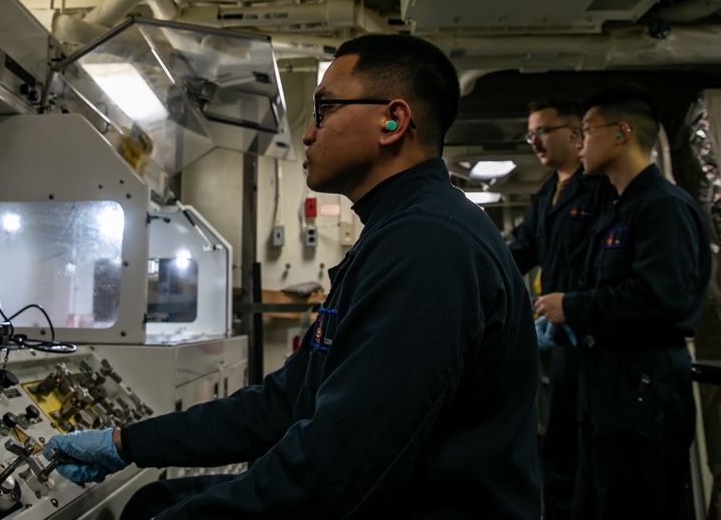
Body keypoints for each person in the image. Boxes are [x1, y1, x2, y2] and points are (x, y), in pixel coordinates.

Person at [45, 34, 541, 519]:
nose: (308, 132)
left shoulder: (428, 244)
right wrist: (127, 442)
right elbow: (284, 403)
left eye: (324, 110)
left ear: (393, 121)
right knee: (152, 501)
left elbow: (337, 466)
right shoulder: (401, 230)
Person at [534, 84, 710, 520]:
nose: (581, 141)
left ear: (622, 132)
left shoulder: (661, 208)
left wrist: (572, 307)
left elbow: (661, 297)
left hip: (643, 385)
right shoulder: (617, 209)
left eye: (588, 130)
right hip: (606, 383)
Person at [508, 99, 614, 520]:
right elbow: (520, 250)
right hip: (562, 338)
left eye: (542, 132)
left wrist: (576, 305)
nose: (535, 142)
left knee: (592, 452)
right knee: (560, 447)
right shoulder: (546, 195)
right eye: (530, 134)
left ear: (575, 134)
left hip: (595, 335)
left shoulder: (601, 189)